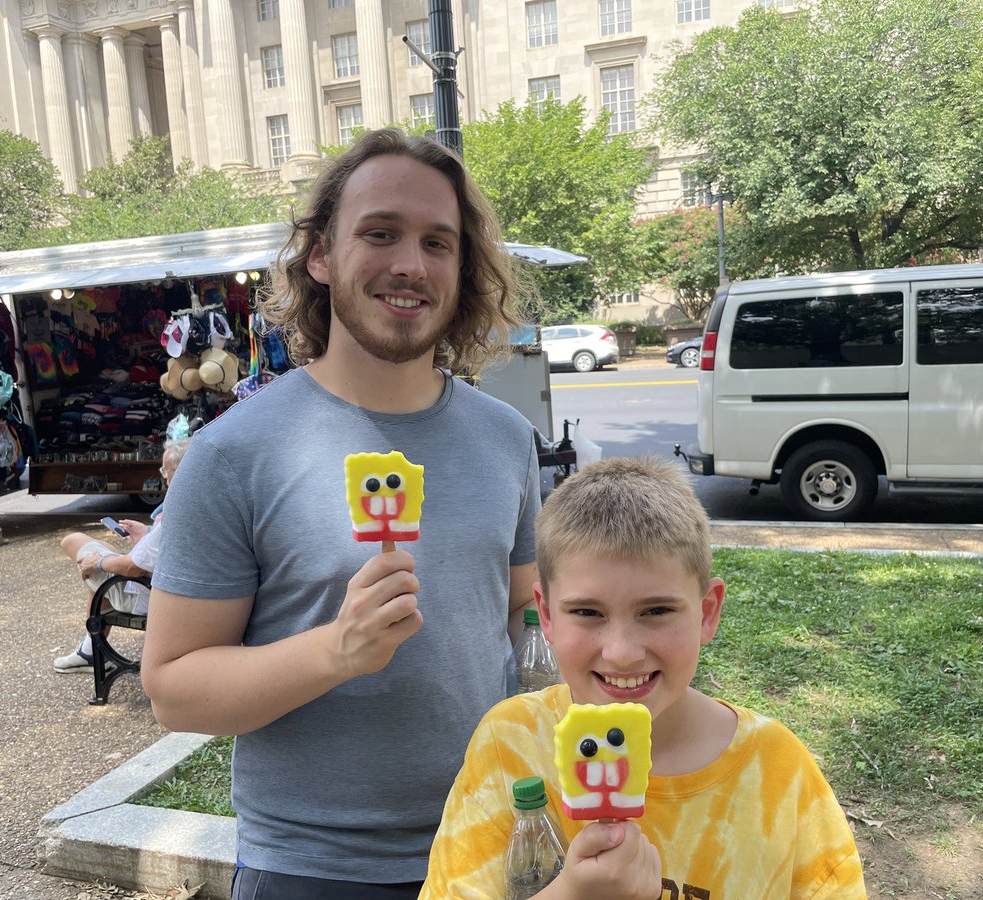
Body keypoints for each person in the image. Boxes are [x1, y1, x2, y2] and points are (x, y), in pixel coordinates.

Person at [143, 127, 541, 898]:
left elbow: (523, 614)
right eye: (380, 233)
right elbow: (174, 689)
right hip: (314, 869)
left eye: (437, 242)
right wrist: (337, 650)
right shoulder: (234, 454)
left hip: (490, 843)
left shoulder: (506, 438)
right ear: (321, 256)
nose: (410, 264)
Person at [420, 457, 867, 899]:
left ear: (707, 612)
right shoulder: (510, 743)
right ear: (547, 615)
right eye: (587, 612)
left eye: (656, 611)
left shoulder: (779, 771)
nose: (621, 653)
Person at [53, 439, 189, 673]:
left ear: (180, 472)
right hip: (172, 590)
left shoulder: (175, 511)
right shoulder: (197, 504)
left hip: (149, 595)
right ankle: (89, 650)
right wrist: (146, 533)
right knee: (101, 557)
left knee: (73, 543)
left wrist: (99, 563)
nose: (164, 477)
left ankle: (90, 652)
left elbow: (132, 568)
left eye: (165, 470)